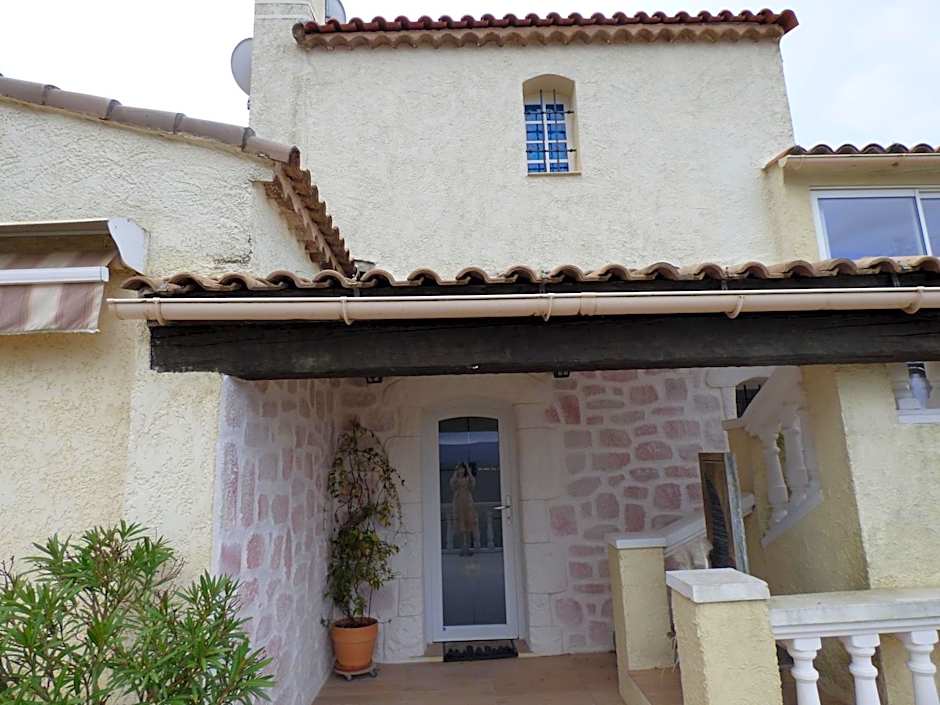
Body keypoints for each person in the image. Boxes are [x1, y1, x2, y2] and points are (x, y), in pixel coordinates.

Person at [450, 462, 480, 556]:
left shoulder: (467, 478)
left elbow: (473, 483)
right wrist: (456, 471)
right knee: (460, 525)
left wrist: (468, 468)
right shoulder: (456, 479)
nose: (461, 470)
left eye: (462, 469)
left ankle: (468, 548)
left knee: (469, 524)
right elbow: (452, 484)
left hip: (468, 502)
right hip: (459, 502)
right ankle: (463, 548)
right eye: (460, 469)